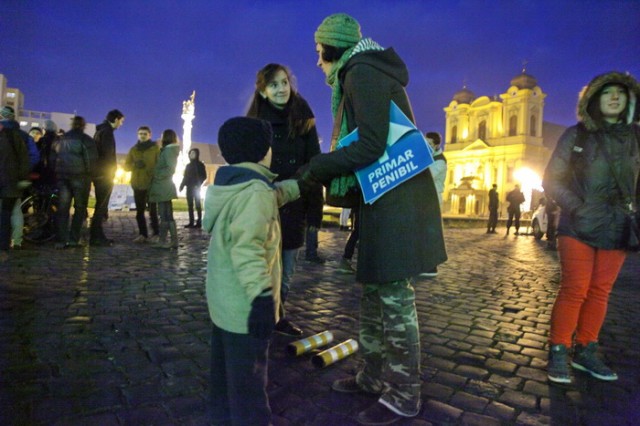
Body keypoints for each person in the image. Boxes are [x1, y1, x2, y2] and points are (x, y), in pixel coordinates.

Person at [301, 13, 447, 424]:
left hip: (394, 200)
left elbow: (369, 144)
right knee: (371, 290)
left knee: (394, 299)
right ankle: (370, 376)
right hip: (381, 196)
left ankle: (403, 393)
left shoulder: (359, 73)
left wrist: (319, 166)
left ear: (333, 48)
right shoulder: (362, 70)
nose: (317, 62)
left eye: (318, 52)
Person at [543, 71, 640, 384]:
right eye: (607, 92)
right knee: (575, 289)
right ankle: (558, 349)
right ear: (594, 100)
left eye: (620, 93)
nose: (614, 97)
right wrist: (577, 208)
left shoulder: (637, 137)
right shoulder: (577, 135)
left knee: (600, 291)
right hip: (579, 224)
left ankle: (586, 350)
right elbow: (552, 179)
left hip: (619, 225)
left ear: (630, 100)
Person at [204, 117, 300, 426]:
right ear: (264, 151)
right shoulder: (256, 192)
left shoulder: (234, 185)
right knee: (249, 384)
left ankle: (220, 417)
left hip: (224, 306)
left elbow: (270, 197)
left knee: (224, 375)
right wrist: (261, 297)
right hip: (245, 309)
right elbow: (248, 249)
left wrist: (300, 185)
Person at [246, 63, 322, 337]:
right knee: (262, 265)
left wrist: (315, 209)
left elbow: (314, 163)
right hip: (262, 204)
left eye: (284, 83)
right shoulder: (254, 122)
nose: (281, 89)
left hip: (294, 202)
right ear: (263, 92)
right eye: (273, 85)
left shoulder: (304, 119)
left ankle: (278, 316)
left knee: (286, 269)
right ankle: (257, 316)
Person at [50, 116, 98, 249]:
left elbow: (53, 157)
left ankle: (61, 240)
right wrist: (90, 174)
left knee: (63, 208)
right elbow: (91, 160)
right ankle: (73, 239)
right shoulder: (86, 140)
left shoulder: (61, 139)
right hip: (80, 177)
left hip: (63, 177)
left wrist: (57, 171)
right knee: (80, 208)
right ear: (83, 126)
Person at [1, 106, 38, 251]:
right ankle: (16, 241)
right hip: (14, 180)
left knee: (4, 212)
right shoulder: (23, 136)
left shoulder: (4, 134)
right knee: (15, 210)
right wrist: (24, 172)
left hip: (4, 178)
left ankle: (4, 241)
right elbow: (33, 156)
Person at [91, 109, 125, 246]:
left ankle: (97, 235)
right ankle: (96, 236)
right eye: (121, 121)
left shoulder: (100, 131)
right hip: (104, 174)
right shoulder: (107, 133)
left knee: (100, 205)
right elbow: (107, 155)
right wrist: (111, 172)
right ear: (116, 119)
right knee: (101, 206)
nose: (121, 124)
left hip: (98, 173)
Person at [124, 126, 160, 243]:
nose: (142, 135)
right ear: (137, 135)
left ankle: (156, 233)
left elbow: (159, 165)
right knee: (139, 211)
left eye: (145, 133)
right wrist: (134, 165)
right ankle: (142, 234)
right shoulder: (134, 149)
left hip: (151, 183)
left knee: (153, 210)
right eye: (140, 134)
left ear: (149, 135)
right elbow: (126, 166)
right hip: (137, 183)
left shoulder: (155, 149)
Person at [0, 121, 30, 263]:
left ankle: (6, 242)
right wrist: (23, 177)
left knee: (7, 212)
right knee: (12, 212)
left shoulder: (12, 137)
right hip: (11, 181)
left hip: (8, 181)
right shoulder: (14, 137)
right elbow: (24, 158)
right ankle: (13, 242)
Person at [148, 129, 180, 249]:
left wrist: (157, 174)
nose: (160, 138)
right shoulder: (169, 150)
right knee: (166, 214)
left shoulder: (168, 151)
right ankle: (170, 240)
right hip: (164, 185)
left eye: (162, 136)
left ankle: (166, 241)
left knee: (165, 214)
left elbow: (170, 169)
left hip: (163, 186)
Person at [179, 148, 207, 229]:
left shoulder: (200, 165)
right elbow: (185, 177)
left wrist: (198, 184)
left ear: (197, 154)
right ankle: (191, 222)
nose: (192, 155)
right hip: (189, 188)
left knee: (198, 205)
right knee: (190, 205)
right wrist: (182, 185)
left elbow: (204, 176)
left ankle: (199, 222)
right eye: (190, 153)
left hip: (196, 188)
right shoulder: (188, 165)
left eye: (193, 153)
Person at [426, 131, 446, 205]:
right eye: (425, 143)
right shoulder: (428, 156)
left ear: (436, 146)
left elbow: (428, 177)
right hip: (426, 196)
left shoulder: (440, 161)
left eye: (430, 144)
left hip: (434, 198)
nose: (427, 146)